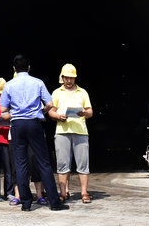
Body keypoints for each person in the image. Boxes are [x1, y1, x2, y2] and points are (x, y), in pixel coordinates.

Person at [0, 54, 69, 212]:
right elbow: (50, 104)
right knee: (43, 162)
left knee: (21, 163)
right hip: (34, 123)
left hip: (17, 124)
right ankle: (55, 203)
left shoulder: (9, 85)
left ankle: (26, 203)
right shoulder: (37, 82)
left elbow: (3, 109)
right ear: (29, 68)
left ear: (14, 69)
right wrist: (40, 111)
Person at [49, 63, 93, 204]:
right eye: (67, 78)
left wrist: (84, 113)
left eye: (72, 78)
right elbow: (51, 111)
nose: (69, 81)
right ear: (62, 77)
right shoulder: (56, 92)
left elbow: (90, 111)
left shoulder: (82, 92)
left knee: (83, 163)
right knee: (62, 164)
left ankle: (84, 193)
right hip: (62, 131)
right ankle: (63, 193)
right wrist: (58, 116)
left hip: (80, 131)